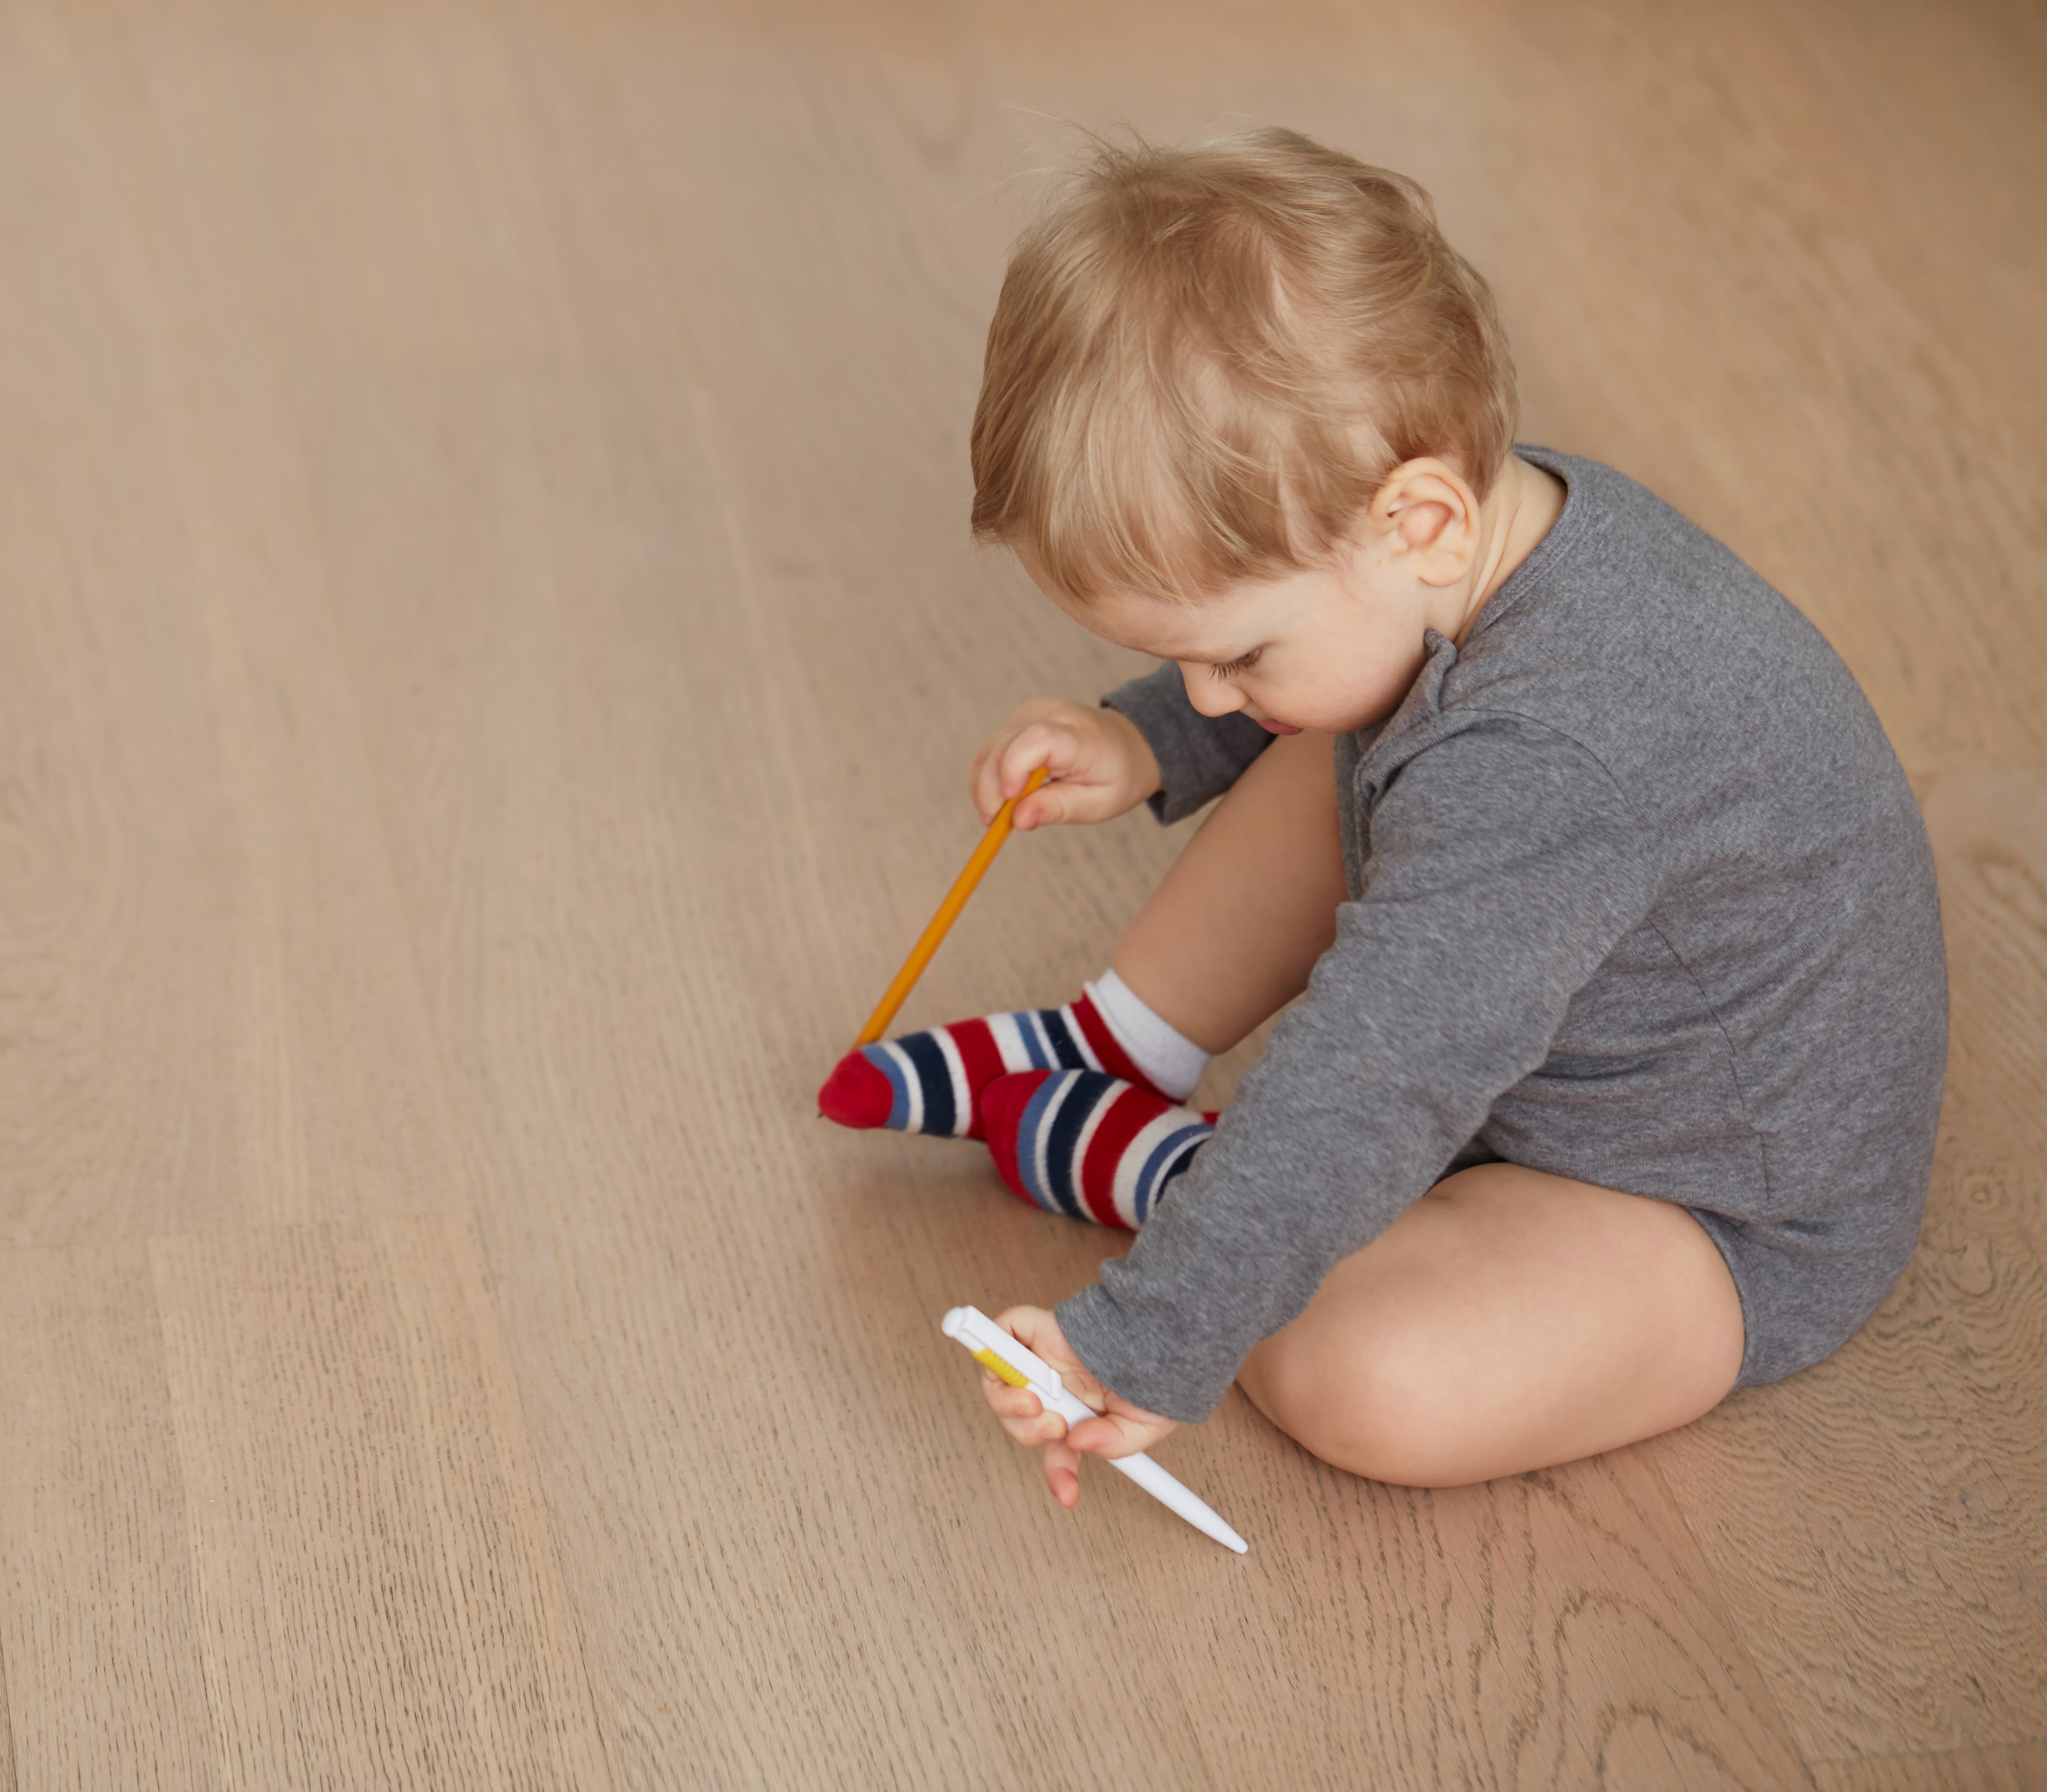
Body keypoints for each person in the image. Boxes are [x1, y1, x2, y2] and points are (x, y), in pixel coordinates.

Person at [818, 127, 1947, 1495]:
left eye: (1231, 654)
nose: (1212, 697)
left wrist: (1148, 1337)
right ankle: (1108, 1051)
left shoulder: (1548, 760)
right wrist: (1145, 735)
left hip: (1709, 1205)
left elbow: (1380, 1070)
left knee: (1345, 1368)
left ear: (1417, 522)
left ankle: (1185, 1173)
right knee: (1335, 725)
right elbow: (1331, 684)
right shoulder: (1471, 526)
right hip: (1538, 1010)